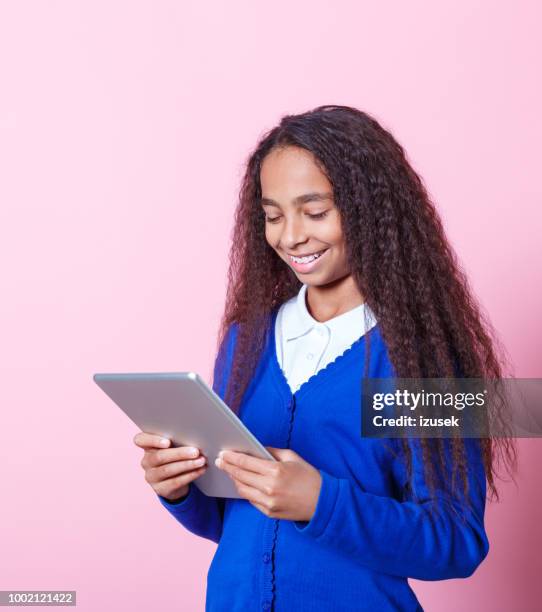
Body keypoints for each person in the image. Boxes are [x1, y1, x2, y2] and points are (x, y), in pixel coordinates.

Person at [133, 105, 517, 611]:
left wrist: (320, 502)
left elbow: (454, 540)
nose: (290, 236)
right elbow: (234, 522)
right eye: (273, 215)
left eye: (315, 212)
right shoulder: (245, 339)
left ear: (372, 210)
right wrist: (180, 488)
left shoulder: (420, 358)